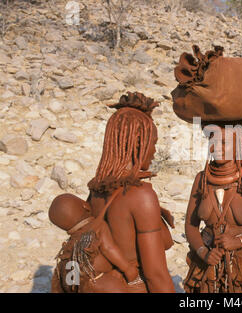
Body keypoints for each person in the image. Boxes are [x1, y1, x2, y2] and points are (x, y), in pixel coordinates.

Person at [52, 92, 175, 293]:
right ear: (138, 143)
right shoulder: (141, 195)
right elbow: (156, 275)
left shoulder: (97, 188)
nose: (153, 151)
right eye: (153, 142)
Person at [183, 125, 242, 293]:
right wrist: (203, 252)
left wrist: (238, 242)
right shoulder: (202, 179)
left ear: (238, 146)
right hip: (208, 266)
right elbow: (191, 226)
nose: (217, 148)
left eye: (224, 143)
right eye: (212, 142)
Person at [49, 194, 140, 292]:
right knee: (117, 288)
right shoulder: (97, 226)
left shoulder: (70, 244)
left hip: (73, 284)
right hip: (96, 280)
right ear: (85, 206)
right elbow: (109, 249)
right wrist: (127, 268)